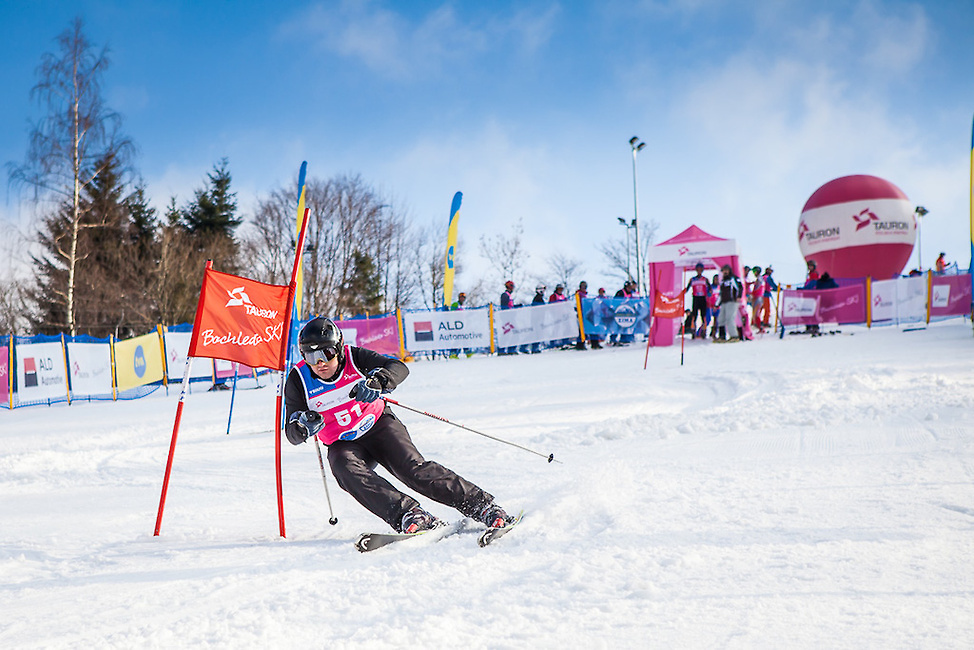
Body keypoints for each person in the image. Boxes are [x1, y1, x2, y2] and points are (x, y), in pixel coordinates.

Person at [285, 317, 513, 534]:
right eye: (311, 356)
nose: (320, 363)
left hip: (378, 425)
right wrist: (302, 427)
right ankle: (410, 515)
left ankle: (482, 506)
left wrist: (378, 381)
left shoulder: (355, 357)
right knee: (344, 468)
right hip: (342, 443)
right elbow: (291, 431)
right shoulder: (298, 380)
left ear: (339, 348)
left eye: (326, 353)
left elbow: (398, 367)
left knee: (412, 470)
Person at [715, 264, 742, 342]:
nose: (725, 272)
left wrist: (739, 296)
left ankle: (734, 336)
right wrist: (716, 304)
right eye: (724, 270)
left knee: (730, 319)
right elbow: (721, 293)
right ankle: (722, 336)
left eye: (726, 270)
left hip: (732, 301)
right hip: (724, 302)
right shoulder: (722, 281)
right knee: (721, 319)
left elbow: (740, 287)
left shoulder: (733, 278)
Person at [685, 263, 710, 338]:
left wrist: (710, 294)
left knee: (703, 315)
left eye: (701, 269)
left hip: (703, 298)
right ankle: (693, 330)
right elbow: (687, 288)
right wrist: (682, 293)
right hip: (695, 298)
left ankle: (704, 331)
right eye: (698, 269)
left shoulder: (705, 279)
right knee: (694, 315)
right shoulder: (692, 279)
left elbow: (710, 289)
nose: (699, 271)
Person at [499, 280, 517, 355]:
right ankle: (501, 350)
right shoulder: (505, 295)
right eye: (511, 286)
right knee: (506, 333)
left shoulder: (509, 295)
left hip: (510, 317)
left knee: (513, 333)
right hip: (507, 317)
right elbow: (504, 306)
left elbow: (510, 306)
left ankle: (511, 349)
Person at [530, 285, 546, 353]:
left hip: (539, 318)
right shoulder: (537, 298)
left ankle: (536, 347)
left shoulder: (540, 298)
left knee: (538, 333)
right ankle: (534, 347)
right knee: (536, 333)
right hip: (536, 318)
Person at [749, 266, 765, 333]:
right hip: (759, 297)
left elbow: (757, 288)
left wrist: (752, 293)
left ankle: (761, 328)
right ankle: (760, 328)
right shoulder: (760, 279)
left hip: (758, 297)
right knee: (756, 314)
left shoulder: (759, 279)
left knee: (756, 314)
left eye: (754, 272)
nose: (753, 273)